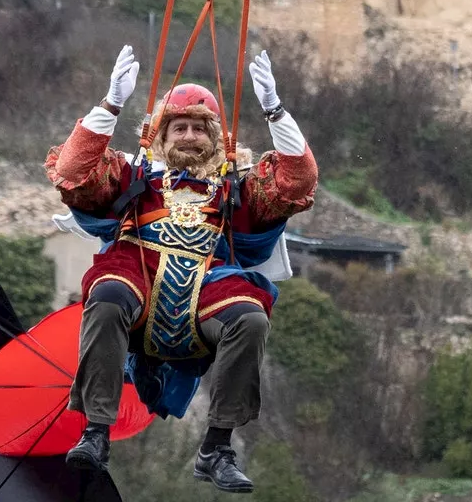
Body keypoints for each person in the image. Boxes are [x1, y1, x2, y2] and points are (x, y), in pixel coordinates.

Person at [44, 44, 318, 493]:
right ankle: (95, 431)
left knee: (250, 317)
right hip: (138, 281)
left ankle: (217, 446)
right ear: (161, 135)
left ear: (214, 138)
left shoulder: (235, 188)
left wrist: (275, 110)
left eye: (198, 128)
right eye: (179, 127)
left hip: (207, 289)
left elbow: (298, 182)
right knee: (107, 295)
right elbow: (73, 171)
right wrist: (110, 104)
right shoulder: (133, 177)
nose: (189, 136)